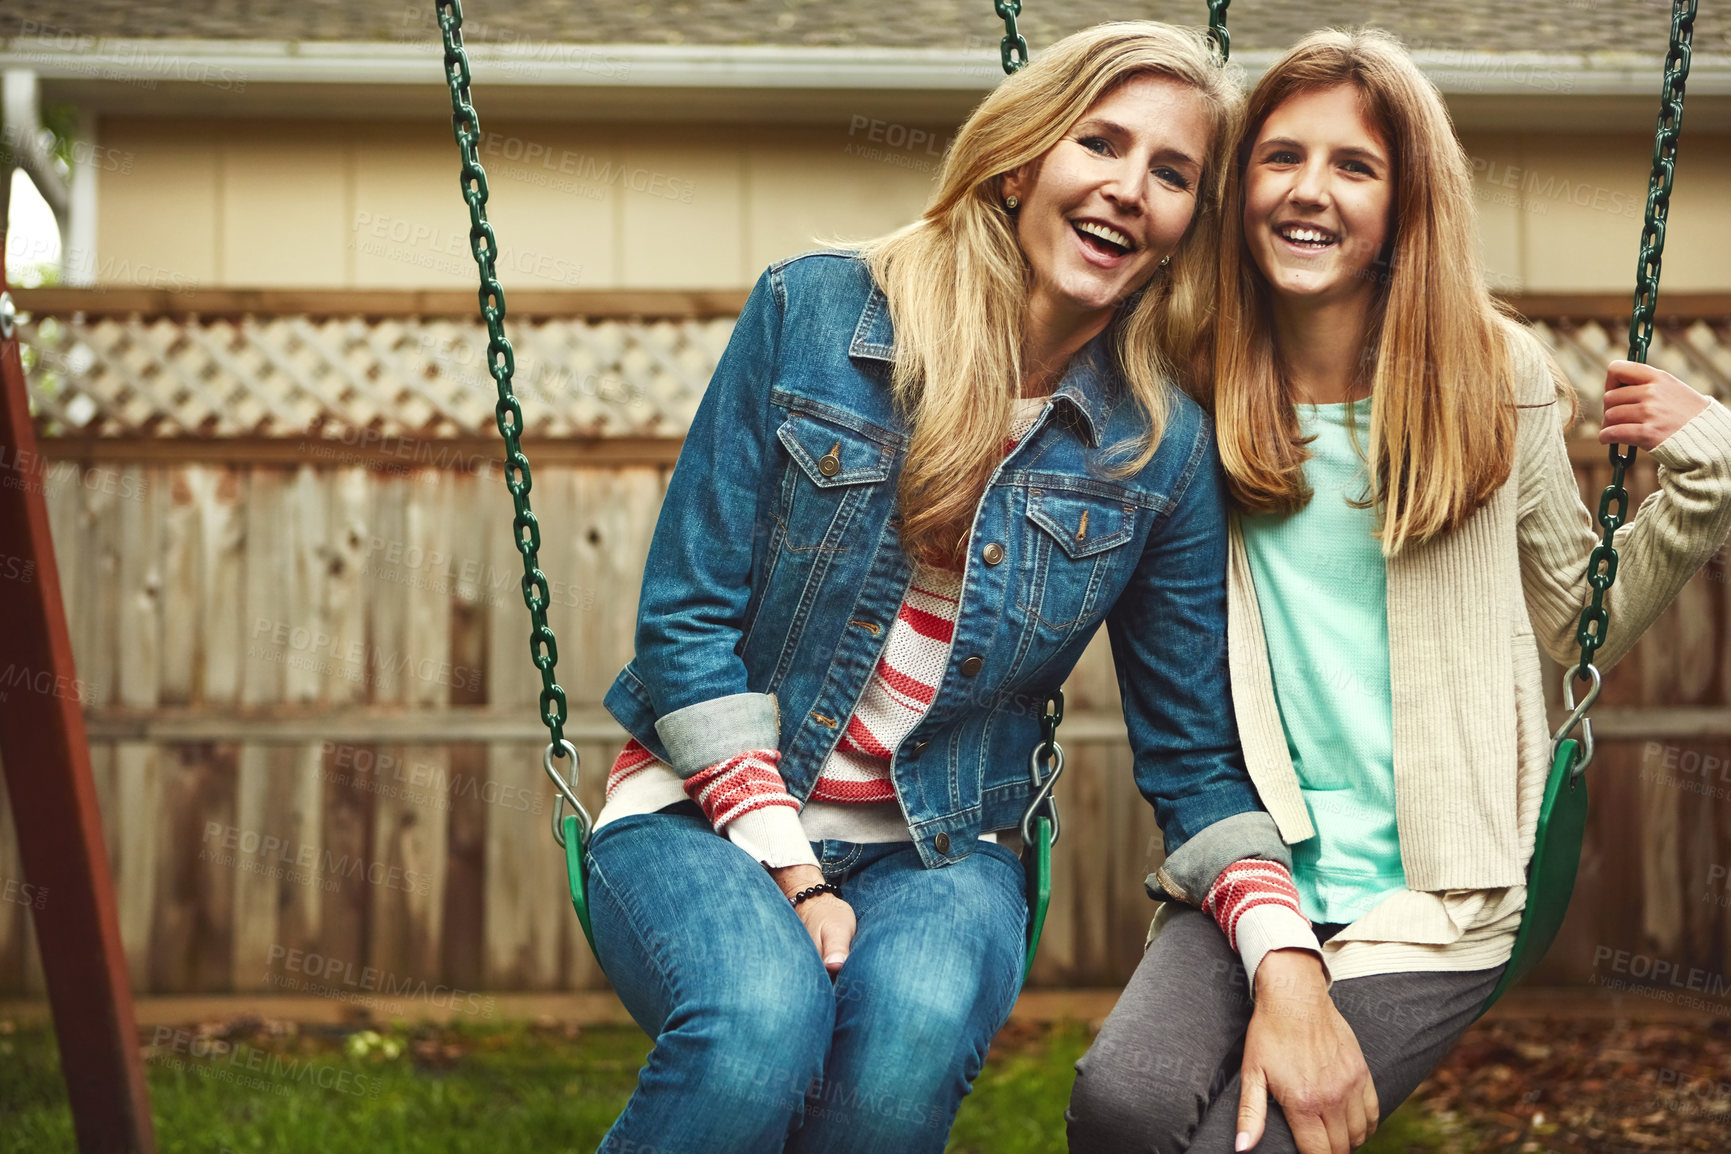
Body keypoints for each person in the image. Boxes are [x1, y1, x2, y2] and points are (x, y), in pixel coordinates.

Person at [584, 21, 1322, 1154]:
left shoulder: (1158, 449)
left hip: (945, 845)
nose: (1130, 188)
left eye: (1172, 173)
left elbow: (1194, 757)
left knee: (906, 1042)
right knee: (757, 1025)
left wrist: (1288, 954)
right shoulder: (818, 313)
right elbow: (687, 625)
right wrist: (791, 869)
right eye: (1101, 143)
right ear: (1024, 158)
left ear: (1186, 227)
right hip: (700, 812)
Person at [1067, 27, 1731, 1154]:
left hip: (1436, 894)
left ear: (1407, 199)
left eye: (1354, 165)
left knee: (1266, 1140)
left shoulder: (1495, 373)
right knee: (1122, 1102)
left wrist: (1710, 469)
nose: (1307, 192)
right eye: (1279, 157)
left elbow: (1579, 619)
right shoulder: (1193, 373)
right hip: (1252, 858)